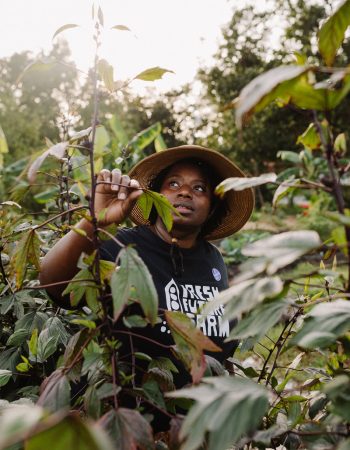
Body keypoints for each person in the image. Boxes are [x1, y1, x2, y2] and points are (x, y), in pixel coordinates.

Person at [39, 145, 254, 426]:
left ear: (213, 206)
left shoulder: (213, 260)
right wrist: (94, 220)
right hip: (124, 420)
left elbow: (220, 346)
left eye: (199, 188)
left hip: (188, 427)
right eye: (173, 183)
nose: (185, 192)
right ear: (154, 196)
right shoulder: (123, 246)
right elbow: (55, 285)